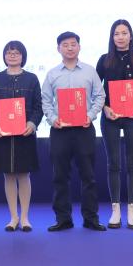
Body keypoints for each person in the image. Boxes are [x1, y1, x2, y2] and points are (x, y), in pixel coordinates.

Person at [41, 31, 106, 231]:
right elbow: (45, 100)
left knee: (88, 176)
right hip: (60, 130)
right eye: (65, 45)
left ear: (79, 47)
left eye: (73, 44)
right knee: (60, 176)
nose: (70, 48)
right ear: (58, 48)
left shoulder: (90, 71)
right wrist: (53, 119)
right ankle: (63, 219)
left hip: (84, 129)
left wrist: (90, 115)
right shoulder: (52, 74)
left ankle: (91, 218)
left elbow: (100, 96)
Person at [95, 19, 133, 229]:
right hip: (111, 117)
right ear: (112, 37)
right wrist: (104, 108)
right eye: (116, 33)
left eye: (124, 33)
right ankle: (115, 209)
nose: (120, 37)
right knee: (114, 163)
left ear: (131, 35)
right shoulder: (104, 60)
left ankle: (132, 210)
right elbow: (97, 90)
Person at [0, 40, 43, 232]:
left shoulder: (32, 79)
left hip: (25, 134)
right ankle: (13, 217)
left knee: (24, 175)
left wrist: (32, 124)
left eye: (17, 53)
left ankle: (25, 217)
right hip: (2, 136)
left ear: (23, 56)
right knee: (8, 175)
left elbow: (38, 107)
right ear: (4, 56)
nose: (12, 55)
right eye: (9, 52)